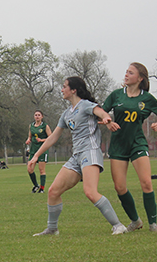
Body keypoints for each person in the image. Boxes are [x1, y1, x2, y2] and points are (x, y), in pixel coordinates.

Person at [30, 76, 128, 237]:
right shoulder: (67, 114)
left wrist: (106, 118)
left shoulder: (86, 105)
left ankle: (118, 225)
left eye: (64, 86)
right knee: (53, 191)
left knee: (90, 191)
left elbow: (100, 112)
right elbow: (53, 137)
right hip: (76, 156)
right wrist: (35, 156)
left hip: (90, 152)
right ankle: (52, 229)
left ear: (73, 90)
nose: (61, 89)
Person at [103, 63, 157, 233]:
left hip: (137, 143)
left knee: (146, 182)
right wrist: (108, 122)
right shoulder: (116, 95)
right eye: (126, 72)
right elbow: (100, 114)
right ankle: (135, 221)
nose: (126, 75)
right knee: (119, 187)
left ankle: (153, 224)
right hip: (118, 145)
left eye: (130, 73)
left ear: (140, 78)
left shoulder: (146, 98)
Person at [26, 110, 54, 193]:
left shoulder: (45, 126)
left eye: (39, 115)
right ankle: (36, 185)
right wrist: (28, 140)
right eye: (35, 115)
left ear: (42, 117)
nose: (37, 116)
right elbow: (30, 136)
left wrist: (42, 140)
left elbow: (51, 137)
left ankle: (42, 188)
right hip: (33, 150)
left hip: (42, 150)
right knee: (29, 169)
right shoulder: (31, 126)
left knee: (41, 170)